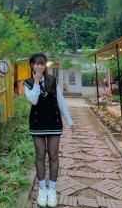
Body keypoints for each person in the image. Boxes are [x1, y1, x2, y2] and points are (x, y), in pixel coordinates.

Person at [23, 52, 75, 207]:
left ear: (45, 65)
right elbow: (33, 100)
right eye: (36, 63)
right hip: (37, 123)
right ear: (32, 65)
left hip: (53, 122)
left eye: (42, 63)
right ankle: (42, 188)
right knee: (40, 154)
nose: (39, 66)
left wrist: (69, 121)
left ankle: (52, 189)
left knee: (53, 154)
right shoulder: (27, 82)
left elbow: (61, 101)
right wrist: (37, 82)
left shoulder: (53, 81)